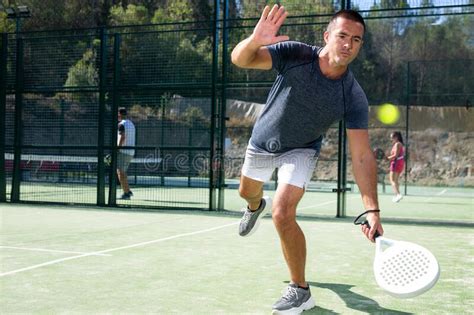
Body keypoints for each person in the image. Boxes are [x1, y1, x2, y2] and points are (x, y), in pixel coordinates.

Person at [231, 5, 384, 314]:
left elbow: (362, 155)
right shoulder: (296, 55)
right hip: (262, 142)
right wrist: (255, 40)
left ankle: (300, 290)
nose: (347, 44)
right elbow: (240, 59)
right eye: (342, 36)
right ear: (327, 36)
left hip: (302, 150)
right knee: (247, 191)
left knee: (283, 212)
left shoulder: (352, 96)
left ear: (360, 45)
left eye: (356, 40)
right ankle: (253, 205)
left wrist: (373, 209)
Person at [117, 107, 136, 200]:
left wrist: (118, 148)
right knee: (122, 172)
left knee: (120, 172)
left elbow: (122, 137)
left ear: (120, 114)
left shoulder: (121, 124)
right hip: (131, 152)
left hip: (124, 151)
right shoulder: (131, 124)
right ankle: (128, 190)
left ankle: (126, 193)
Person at [386, 131, 405, 202]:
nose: (391, 139)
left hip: (396, 163)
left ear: (396, 137)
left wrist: (387, 158)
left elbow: (395, 156)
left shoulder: (397, 144)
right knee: (396, 180)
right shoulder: (397, 144)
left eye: (392, 137)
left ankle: (398, 194)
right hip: (399, 163)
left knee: (392, 180)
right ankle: (397, 196)